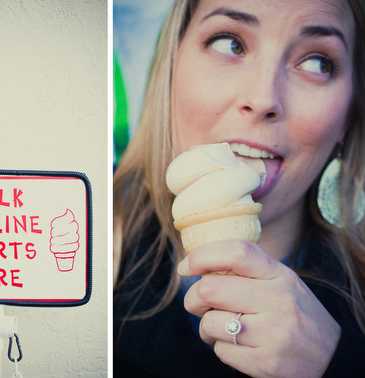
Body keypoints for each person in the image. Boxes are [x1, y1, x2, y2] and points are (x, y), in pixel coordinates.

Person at [113, 0, 365, 377]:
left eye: (317, 62)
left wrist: (339, 361)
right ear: (170, 69)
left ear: (348, 116)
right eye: (230, 42)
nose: (263, 99)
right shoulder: (88, 249)